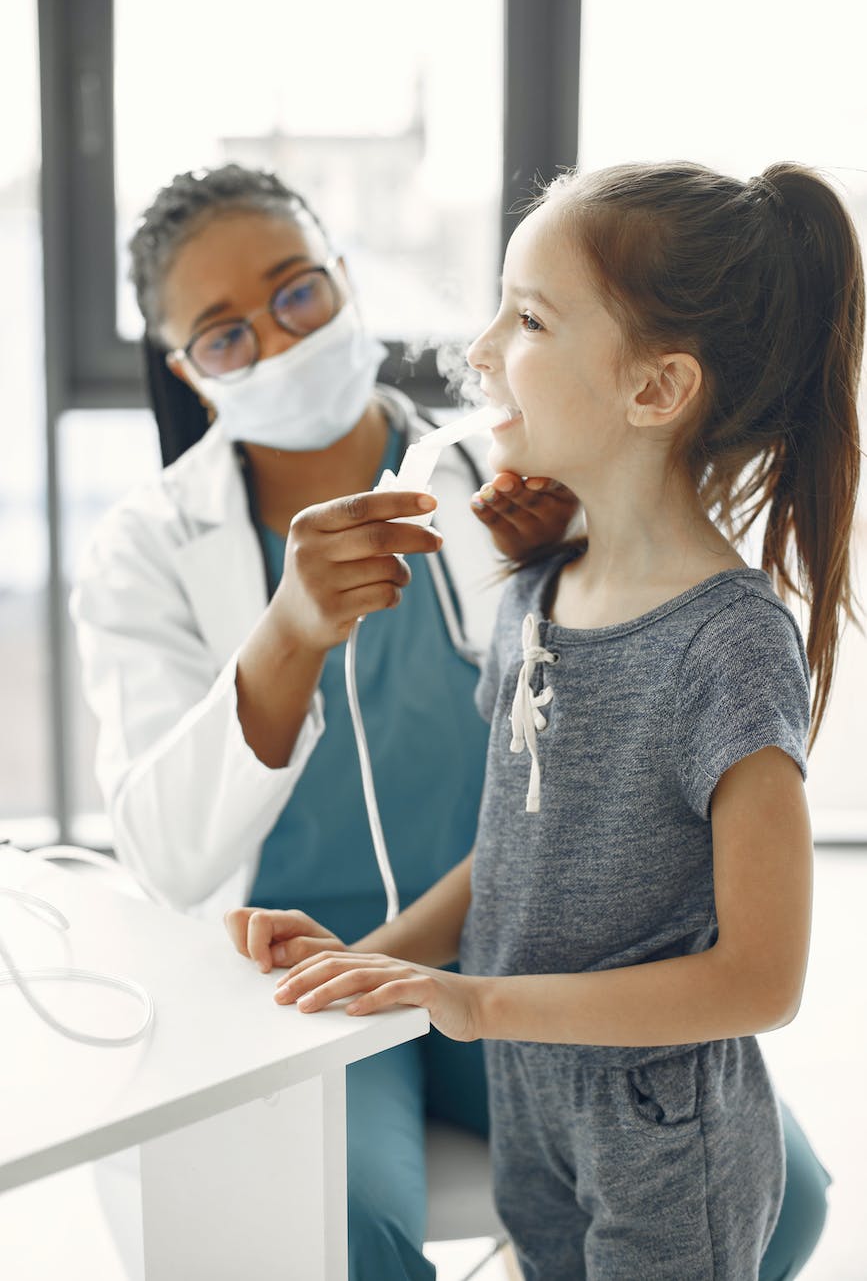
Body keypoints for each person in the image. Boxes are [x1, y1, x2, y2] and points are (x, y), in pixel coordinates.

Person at [224, 159, 860, 1279]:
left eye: (525, 317)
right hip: (537, 1112)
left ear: (656, 390)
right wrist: (369, 965)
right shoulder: (535, 590)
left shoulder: (727, 644)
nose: (477, 352)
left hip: (667, 1159)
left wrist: (473, 1000)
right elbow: (512, 856)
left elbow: (763, 979)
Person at [70, 163, 579, 1281]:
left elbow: (594, 745)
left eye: (296, 293)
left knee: (766, 1186)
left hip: (502, 926)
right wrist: (289, 634)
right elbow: (163, 853)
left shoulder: (508, 476)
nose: (277, 342)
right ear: (190, 375)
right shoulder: (147, 550)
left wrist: (565, 568)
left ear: (347, 283)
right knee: (336, 1234)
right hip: (294, 978)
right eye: (225, 335)